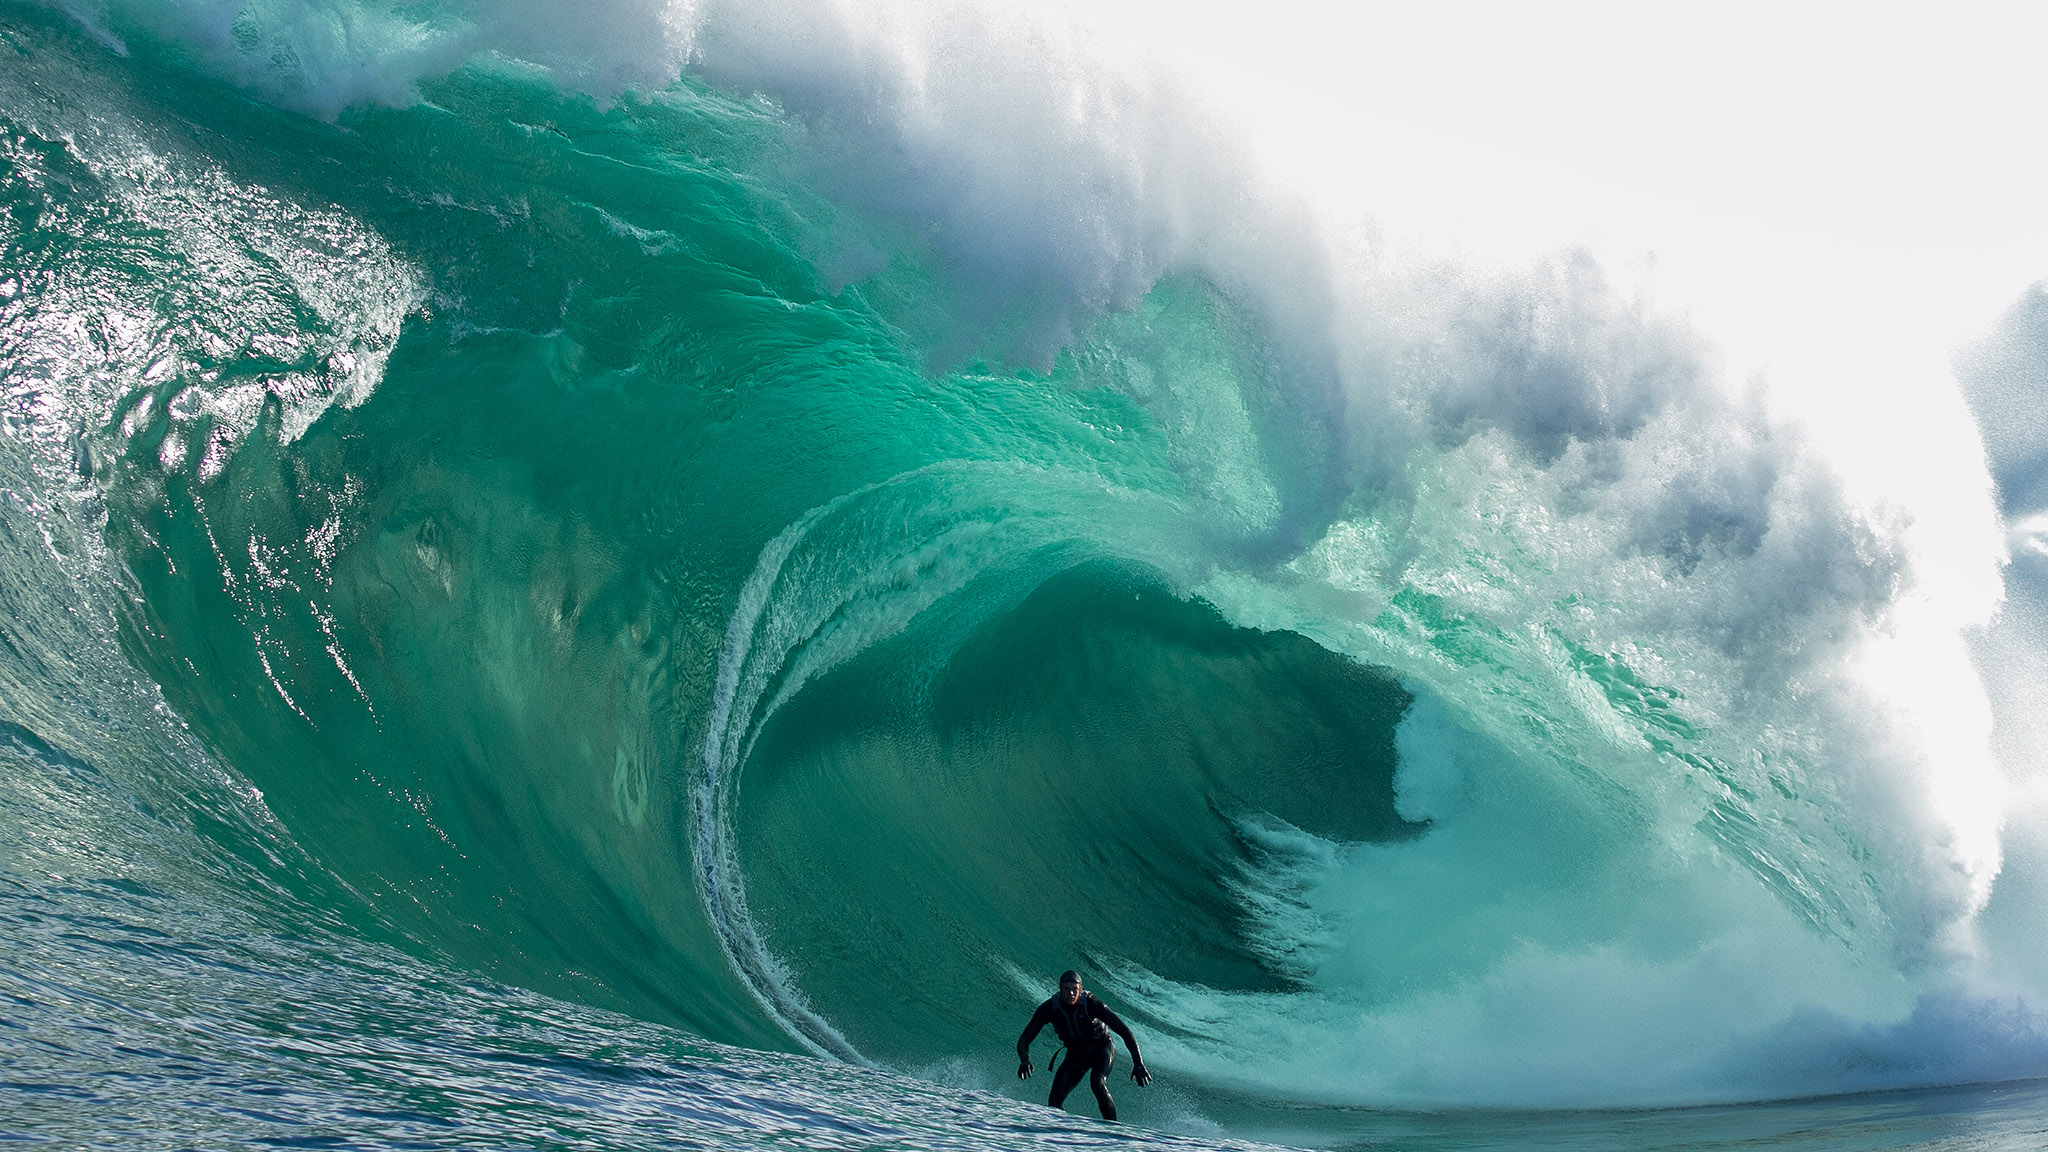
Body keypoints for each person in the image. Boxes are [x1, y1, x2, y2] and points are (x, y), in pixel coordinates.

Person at [1015, 969, 1151, 1121]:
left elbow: (1125, 1032)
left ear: (1080, 990)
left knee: (1097, 1083)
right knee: (1054, 1101)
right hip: (1077, 1054)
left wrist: (1138, 1063)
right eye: (1067, 989)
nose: (1071, 994)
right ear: (1060, 989)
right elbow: (1024, 1039)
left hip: (1102, 1048)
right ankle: (1060, 1133)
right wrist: (1024, 1059)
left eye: (1075, 990)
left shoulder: (1092, 1004)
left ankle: (1113, 1128)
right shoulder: (1049, 1009)